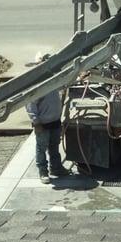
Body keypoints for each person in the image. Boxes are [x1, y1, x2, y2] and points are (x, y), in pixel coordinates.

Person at [26, 53, 70, 184]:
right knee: (41, 148)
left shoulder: (52, 81)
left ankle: (56, 168)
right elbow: (30, 105)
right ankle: (43, 172)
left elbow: (63, 85)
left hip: (55, 121)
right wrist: (36, 122)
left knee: (54, 147)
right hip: (43, 123)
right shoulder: (37, 85)